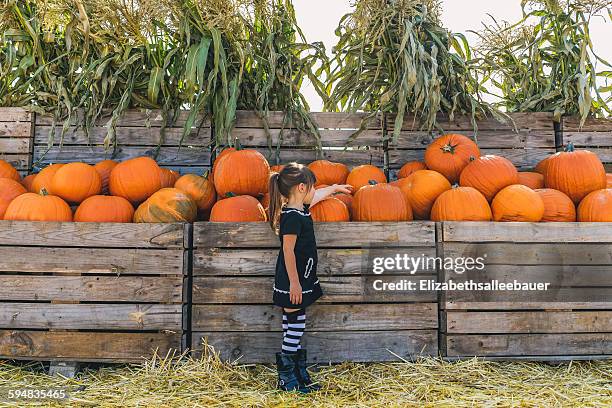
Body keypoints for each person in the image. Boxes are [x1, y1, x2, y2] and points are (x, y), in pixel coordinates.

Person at [268, 162, 352, 393]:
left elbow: (316, 198)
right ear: (302, 188)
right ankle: (286, 377)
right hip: (292, 279)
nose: (316, 192)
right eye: (314, 188)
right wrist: (294, 282)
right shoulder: (292, 218)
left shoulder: (298, 209)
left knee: (292, 323)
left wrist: (334, 188)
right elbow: (288, 250)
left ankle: (296, 371)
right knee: (296, 325)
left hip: (300, 277)